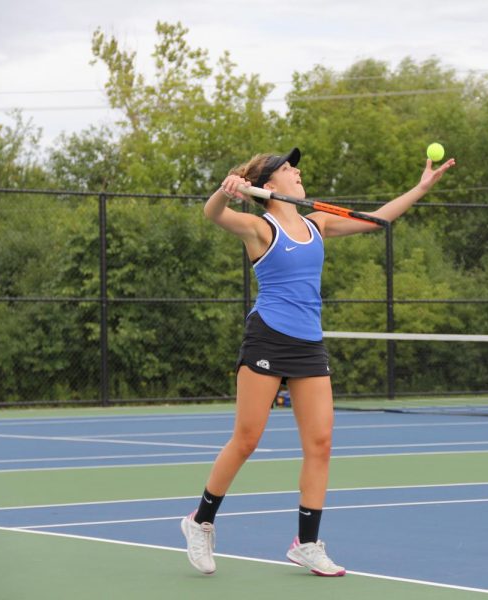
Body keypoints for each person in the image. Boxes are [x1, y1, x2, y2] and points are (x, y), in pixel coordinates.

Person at [181, 147, 455, 577]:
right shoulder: (259, 229)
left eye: (295, 167)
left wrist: (419, 189)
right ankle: (200, 522)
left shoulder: (318, 223)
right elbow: (212, 214)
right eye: (289, 169)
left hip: (309, 344)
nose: (298, 171)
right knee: (247, 440)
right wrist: (224, 190)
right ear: (268, 185)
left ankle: (306, 544)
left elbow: (379, 218)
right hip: (268, 338)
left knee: (321, 444)